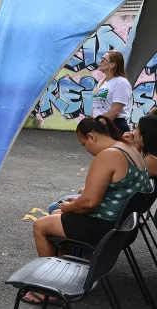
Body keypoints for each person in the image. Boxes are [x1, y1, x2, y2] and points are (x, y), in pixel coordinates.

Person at [25, 116, 151, 304]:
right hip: (122, 228)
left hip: (105, 228)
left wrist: (69, 206)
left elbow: (89, 202)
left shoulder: (109, 155)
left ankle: (49, 290)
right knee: (56, 215)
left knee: (41, 226)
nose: (87, 150)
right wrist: (70, 208)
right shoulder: (130, 149)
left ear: (92, 137)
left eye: (84, 144)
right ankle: (63, 276)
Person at [92, 50, 133, 132]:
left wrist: (99, 124)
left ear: (112, 65)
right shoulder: (102, 82)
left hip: (115, 126)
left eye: (103, 59)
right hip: (101, 124)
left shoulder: (121, 82)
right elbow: (95, 106)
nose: (100, 61)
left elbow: (115, 110)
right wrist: (93, 123)